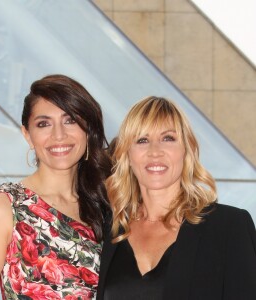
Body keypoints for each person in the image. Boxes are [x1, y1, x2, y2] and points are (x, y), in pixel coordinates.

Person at [0, 74, 112, 300]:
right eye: (44, 124)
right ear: (27, 135)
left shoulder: (107, 203)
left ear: (88, 128)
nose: (59, 135)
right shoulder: (5, 209)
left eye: (70, 120)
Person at [97, 96, 256, 300]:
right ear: (127, 155)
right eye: (142, 140)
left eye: (168, 138)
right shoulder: (109, 229)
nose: (155, 152)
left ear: (186, 149)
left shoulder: (229, 226)